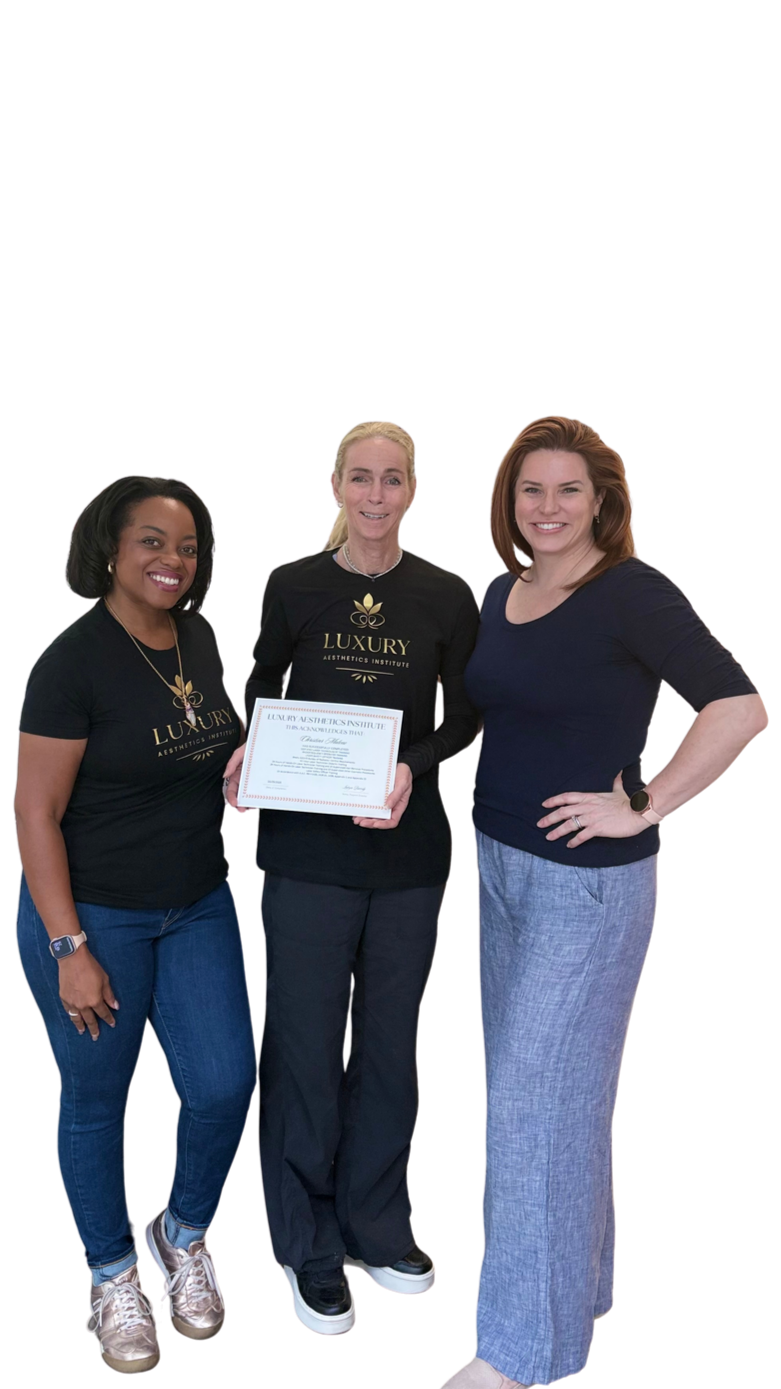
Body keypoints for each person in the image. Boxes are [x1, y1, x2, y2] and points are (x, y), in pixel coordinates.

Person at [440, 416, 767, 1389]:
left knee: (532, 1105)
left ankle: (516, 1353)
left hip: (586, 886)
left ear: (603, 503)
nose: (547, 508)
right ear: (510, 503)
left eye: (568, 491)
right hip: (497, 862)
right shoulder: (503, 591)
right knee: (551, 1099)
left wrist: (649, 804)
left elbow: (738, 706)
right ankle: (573, 1290)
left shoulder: (631, 591)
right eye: (530, 491)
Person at [223, 420, 480, 1334]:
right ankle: (308, 1245)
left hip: (409, 855)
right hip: (306, 853)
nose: (376, 497)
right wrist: (256, 741)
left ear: (413, 493)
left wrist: (414, 762)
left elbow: (462, 716)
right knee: (301, 1044)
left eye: (393, 480)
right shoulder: (292, 584)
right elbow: (260, 684)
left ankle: (379, 1225)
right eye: (359, 478)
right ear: (336, 486)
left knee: (384, 1046)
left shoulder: (447, 595)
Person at [14, 477, 257, 1376]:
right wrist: (68, 947)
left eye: (187, 547)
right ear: (109, 552)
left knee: (225, 1081)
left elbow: (198, 742)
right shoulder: (70, 661)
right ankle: (113, 1274)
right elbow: (34, 814)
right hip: (94, 917)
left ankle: (182, 1235)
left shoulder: (193, 635)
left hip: (196, 904)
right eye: (152, 542)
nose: (172, 561)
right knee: (96, 1101)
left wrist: (241, 766)